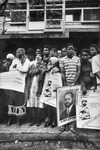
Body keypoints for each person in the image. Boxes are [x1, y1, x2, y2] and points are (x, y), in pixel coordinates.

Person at [7, 48, 30, 126]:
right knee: (11, 100)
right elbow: (10, 69)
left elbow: (25, 69)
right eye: (16, 52)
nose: (17, 53)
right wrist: (17, 69)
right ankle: (11, 118)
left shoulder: (26, 61)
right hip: (14, 82)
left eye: (18, 52)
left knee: (19, 101)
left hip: (21, 83)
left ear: (22, 53)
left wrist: (17, 68)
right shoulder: (15, 60)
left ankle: (19, 119)